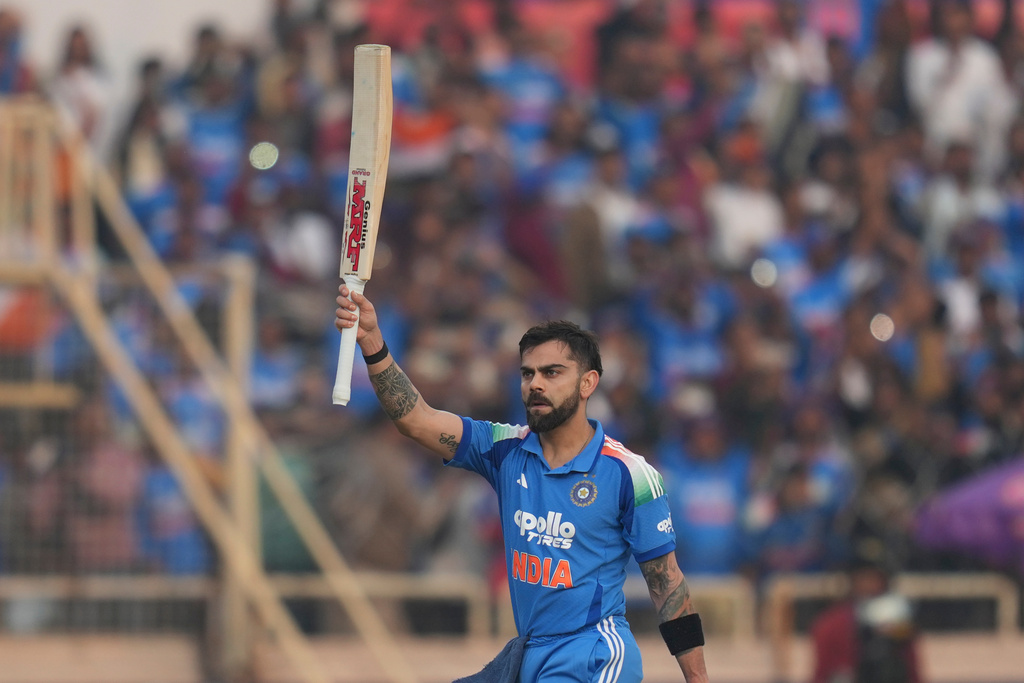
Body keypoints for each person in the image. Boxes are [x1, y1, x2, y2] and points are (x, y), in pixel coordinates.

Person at [336, 284, 710, 682]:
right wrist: (373, 342)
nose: (536, 384)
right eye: (528, 373)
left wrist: (698, 679)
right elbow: (417, 420)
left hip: (594, 657)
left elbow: (667, 585)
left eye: (552, 373)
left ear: (588, 383)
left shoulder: (631, 475)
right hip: (528, 655)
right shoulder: (504, 449)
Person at [809, 541, 922, 683]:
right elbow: (822, 673)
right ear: (852, 581)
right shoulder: (831, 623)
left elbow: (912, 667)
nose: (869, 585)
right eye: (863, 578)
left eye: (875, 578)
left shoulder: (898, 618)